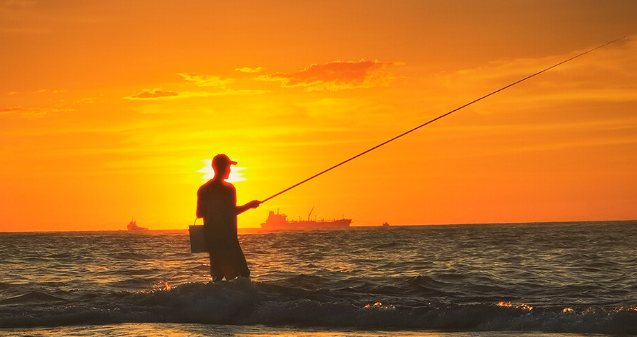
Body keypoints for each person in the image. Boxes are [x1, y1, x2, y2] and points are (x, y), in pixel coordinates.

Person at [196, 154, 260, 282]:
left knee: (217, 277)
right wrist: (250, 205)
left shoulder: (203, 189)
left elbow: (199, 213)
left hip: (211, 238)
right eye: (228, 167)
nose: (230, 170)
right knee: (243, 275)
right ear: (222, 168)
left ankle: (215, 301)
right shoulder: (228, 189)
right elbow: (231, 211)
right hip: (228, 238)